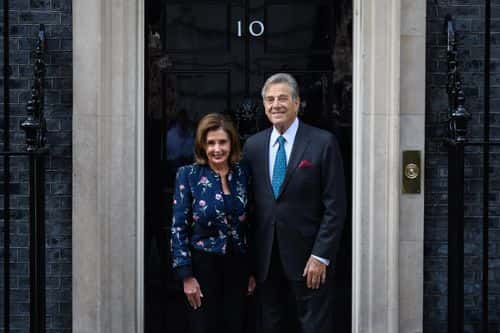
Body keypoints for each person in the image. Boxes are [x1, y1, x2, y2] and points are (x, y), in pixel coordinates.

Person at [243, 73, 347, 333]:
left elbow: (335, 206)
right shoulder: (253, 146)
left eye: (282, 98)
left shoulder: (323, 142)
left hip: (309, 259)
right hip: (266, 260)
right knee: (271, 326)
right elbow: (250, 205)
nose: (275, 104)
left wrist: (321, 256)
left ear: (297, 102)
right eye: (269, 99)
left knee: (313, 327)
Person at [170, 113, 256, 333]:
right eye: (211, 143)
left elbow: (252, 224)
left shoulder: (242, 173)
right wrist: (186, 276)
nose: (217, 149)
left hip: (237, 267)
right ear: (202, 145)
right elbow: (178, 227)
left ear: (232, 143)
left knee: (235, 325)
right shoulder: (188, 175)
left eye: (222, 142)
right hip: (202, 267)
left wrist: (251, 271)